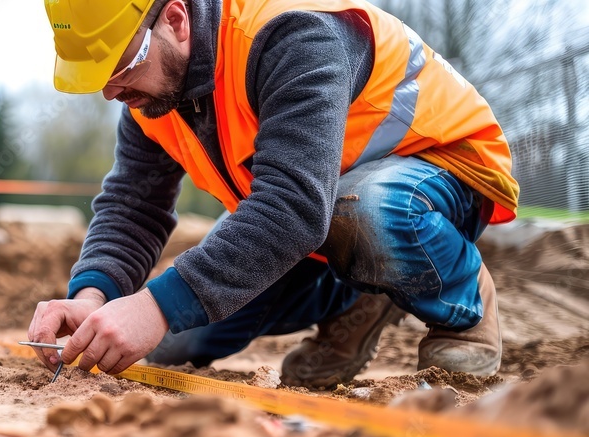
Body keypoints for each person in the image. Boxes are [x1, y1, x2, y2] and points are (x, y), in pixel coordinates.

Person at [28, 0, 519, 388]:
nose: (114, 92)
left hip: (440, 174)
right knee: (177, 340)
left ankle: (463, 309)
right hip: (319, 213)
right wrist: (95, 297)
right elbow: (133, 206)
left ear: (176, 20)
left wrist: (154, 305)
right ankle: (358, 299)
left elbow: (293, 207)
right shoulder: (150, 94)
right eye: (102, 80)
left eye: (121, 65)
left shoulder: (292, 34)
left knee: (366, 211)